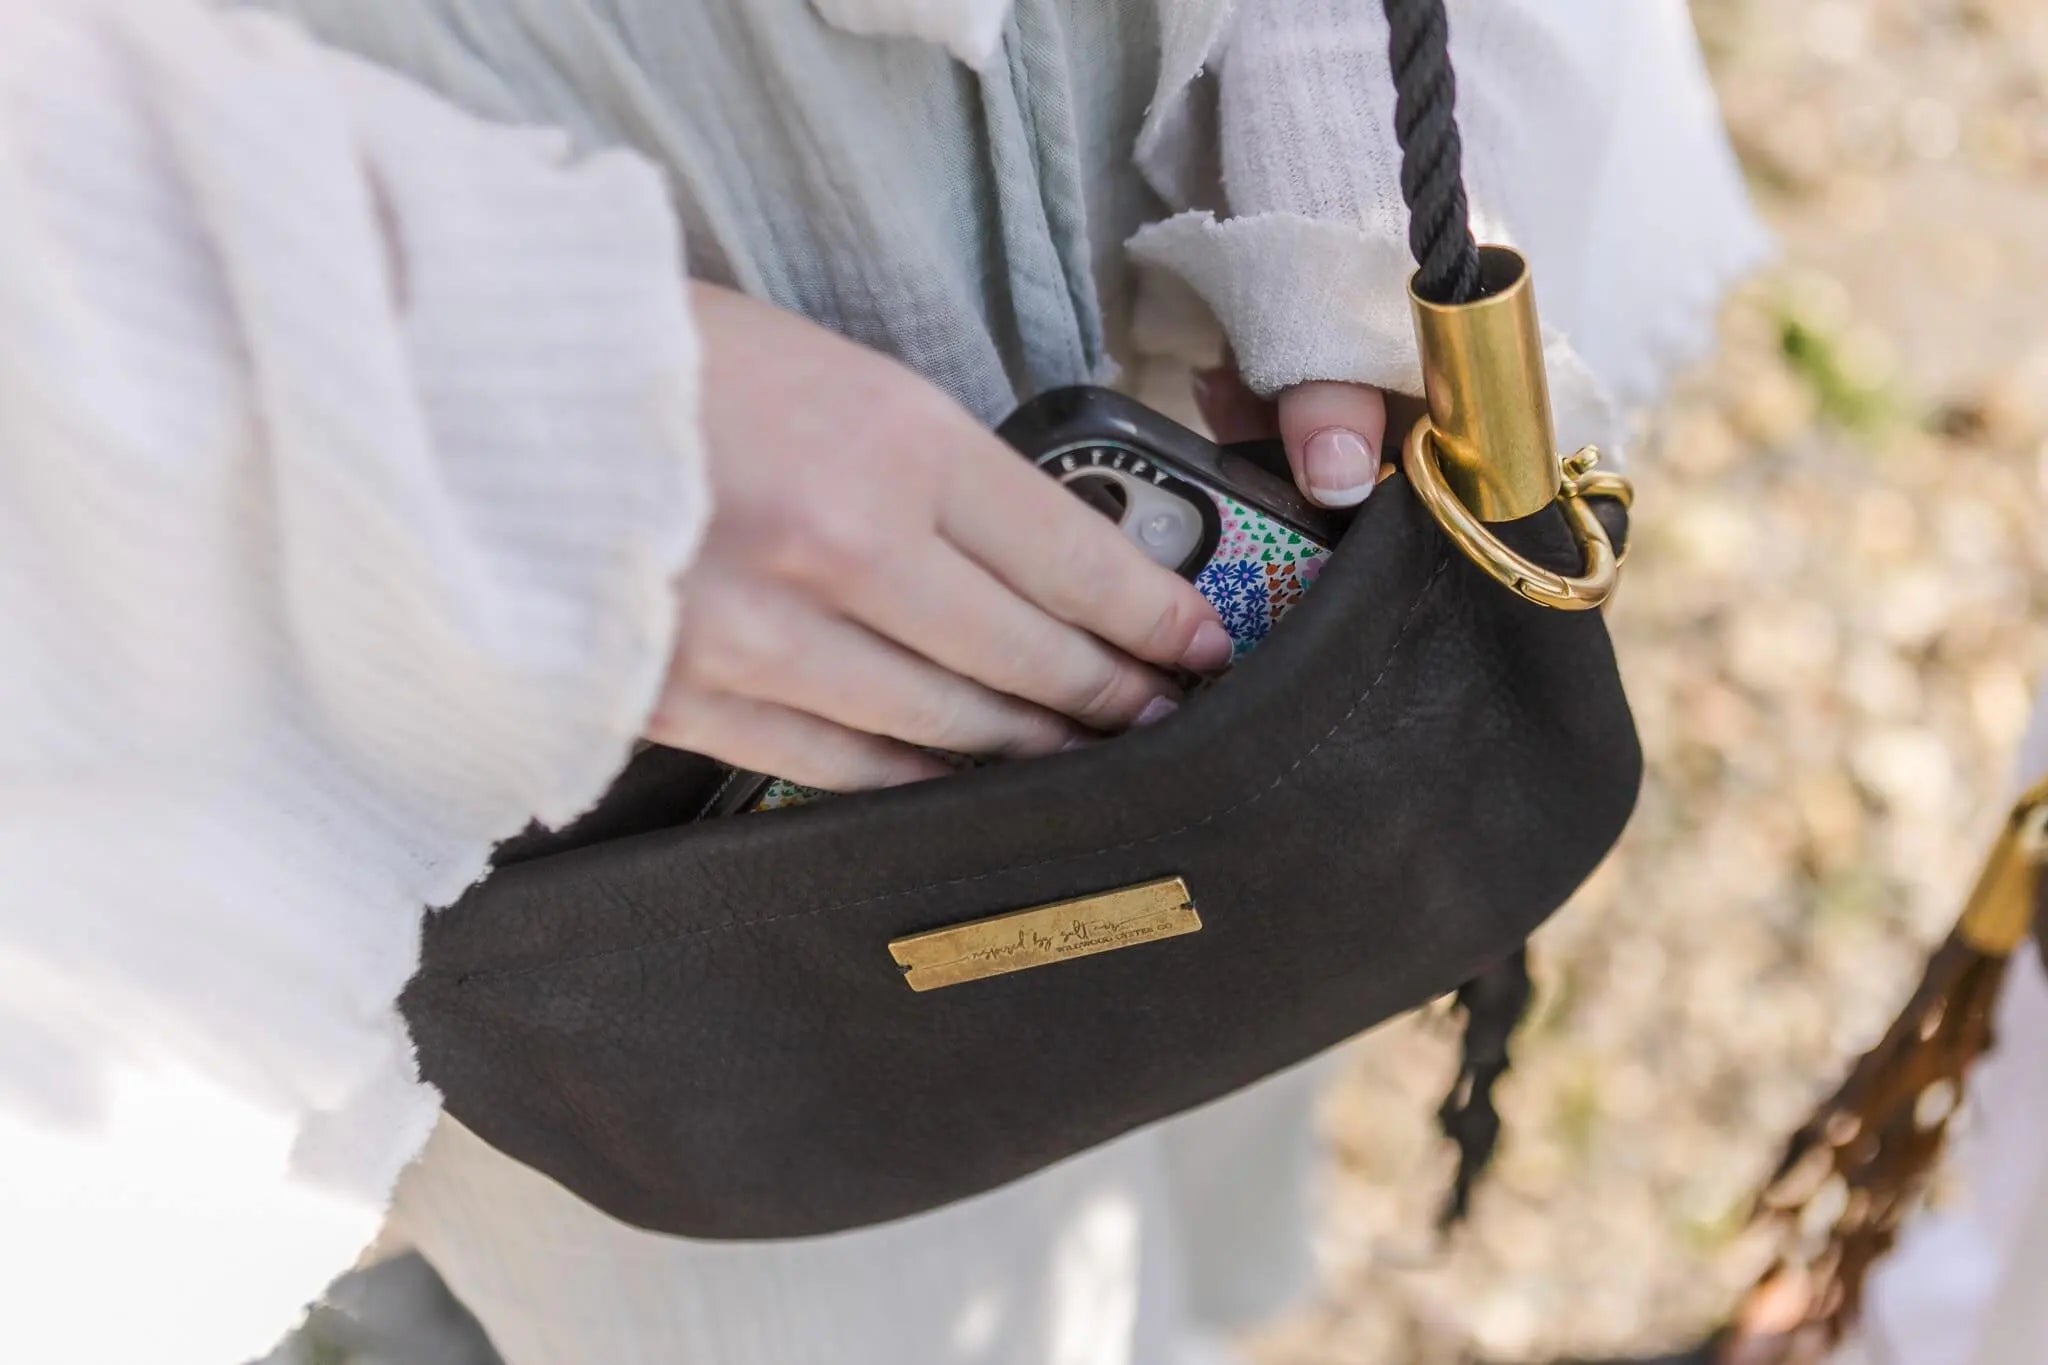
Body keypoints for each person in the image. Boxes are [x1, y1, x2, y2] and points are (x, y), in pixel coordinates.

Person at [0, 2, 1765, 1362]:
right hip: (431, 249)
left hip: (1143, 127)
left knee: (1201, 1007)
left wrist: (1318, 73)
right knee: (697, 1245)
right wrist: (499, 393)